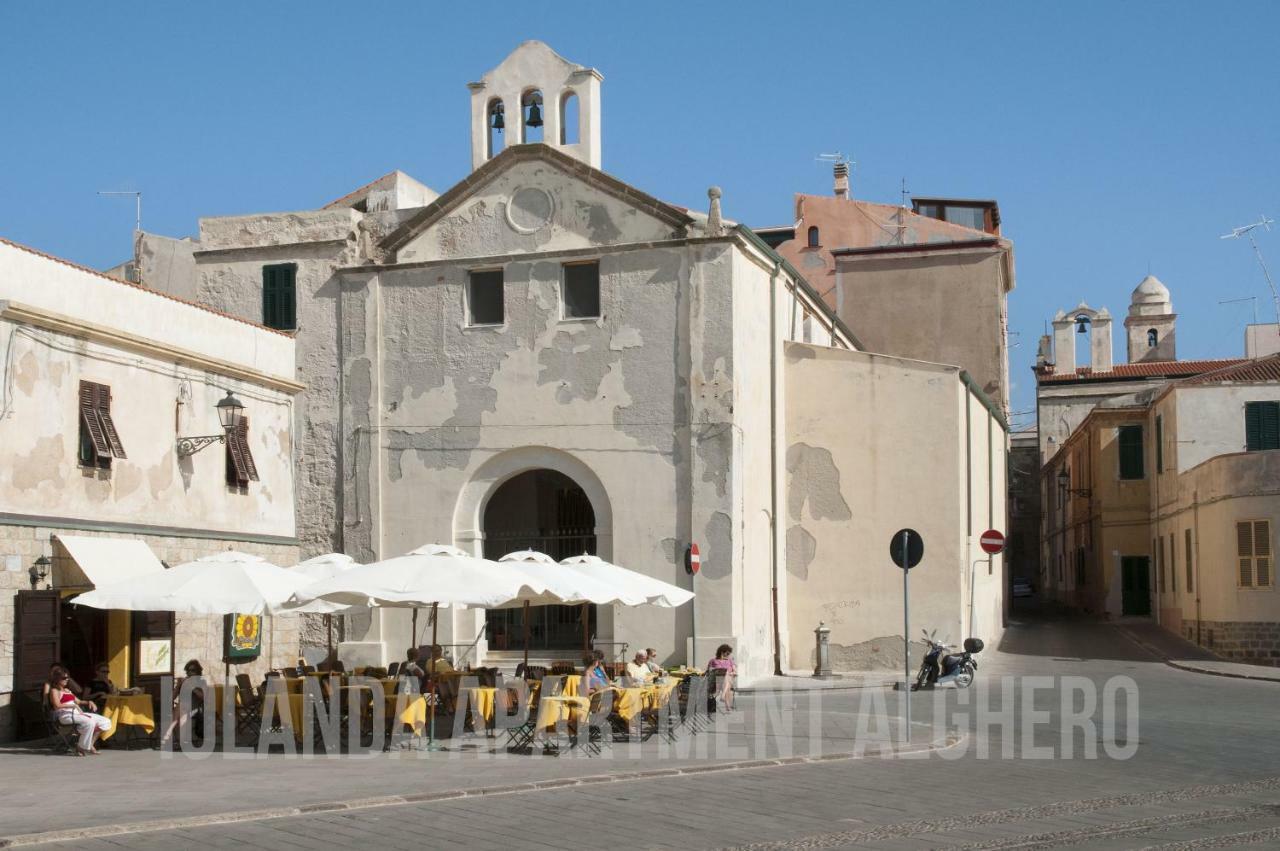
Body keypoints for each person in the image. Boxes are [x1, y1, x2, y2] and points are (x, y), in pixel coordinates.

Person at [48, 665, 110, 755]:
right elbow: (57, 705)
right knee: (90, 722)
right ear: (57, 679)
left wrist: (89, 702)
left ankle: (87, 745)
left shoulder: (67, 690)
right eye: (64, 678)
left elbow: (79, 701)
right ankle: (82, 747)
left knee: (105, 721)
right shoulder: (55, 691)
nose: (67, 679)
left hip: (77, 714)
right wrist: (72, 706)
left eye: (67, 678)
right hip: (66, 715)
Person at [160, 659, 207, 748]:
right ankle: (182, 742)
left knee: (180, 708)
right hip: (183, 709)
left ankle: (169, 734)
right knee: (181, 711)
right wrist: (178, 686)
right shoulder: (183, 683)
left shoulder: (201, 682)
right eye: (188, 671)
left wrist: (192, 687)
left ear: (198, 672)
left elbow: (203, 697)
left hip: (196, 709)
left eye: (192, 670)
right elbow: (171, 699)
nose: (190, 673)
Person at [706, 644, 737, 711]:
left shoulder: (730, 661)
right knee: (726, 682)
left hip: (727, 679)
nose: (728, 655)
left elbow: (735, 672)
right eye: (727, 653)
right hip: (716, 680)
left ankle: (723, 696)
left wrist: (730, 673)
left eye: (729, 653)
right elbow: (709, 671)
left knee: (726, 674)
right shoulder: (713, 660)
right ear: (722, 652)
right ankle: (727, 706)